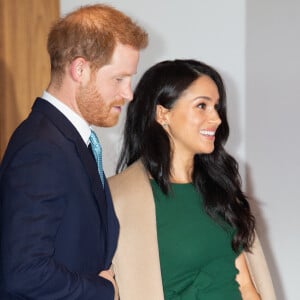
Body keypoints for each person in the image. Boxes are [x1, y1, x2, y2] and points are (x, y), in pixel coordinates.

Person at [0, 4, 147, 299]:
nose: (129, 93)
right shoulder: (42, 149)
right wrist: (105, 290)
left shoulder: (68, 141)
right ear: (80, 69)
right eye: (119, 79)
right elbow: (23, 272)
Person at [108, 59, 276, 300]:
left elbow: (247, 287)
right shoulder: (120, 199)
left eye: (216, 107)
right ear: (163, 114)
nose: (216, 119)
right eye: (202, 106)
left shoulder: (220, 190)